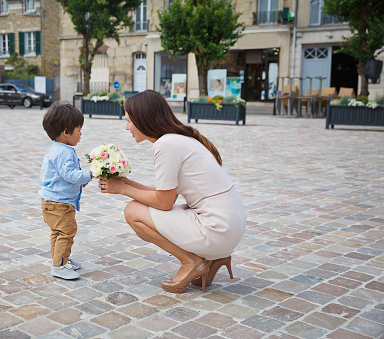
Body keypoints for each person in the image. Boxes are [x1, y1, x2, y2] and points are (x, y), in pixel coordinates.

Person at [98, 90, 246, 293]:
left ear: (143, 119)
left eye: (129, 121)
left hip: (217, 228)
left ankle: (192, 262)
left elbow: (164, 203)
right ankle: (212, 259)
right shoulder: (179, 139)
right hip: (230, 224)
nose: (127, 127)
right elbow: (166, 194)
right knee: (140, 206)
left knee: (133, 212)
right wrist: (126, 182)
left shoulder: (165, 144)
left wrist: (123, 189)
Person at [39, 102, 92, 280]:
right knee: (66, 233)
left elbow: (61, 177)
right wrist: (90, 174)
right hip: (60, 205)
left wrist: (79, 182)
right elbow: (69, 175)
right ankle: (59, 266)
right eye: (78, 129)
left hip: (50, 202)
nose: (81, 134)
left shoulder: (58, 149)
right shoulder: (64, 152)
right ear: (66, 131)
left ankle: (61, 260)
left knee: (57, 232)